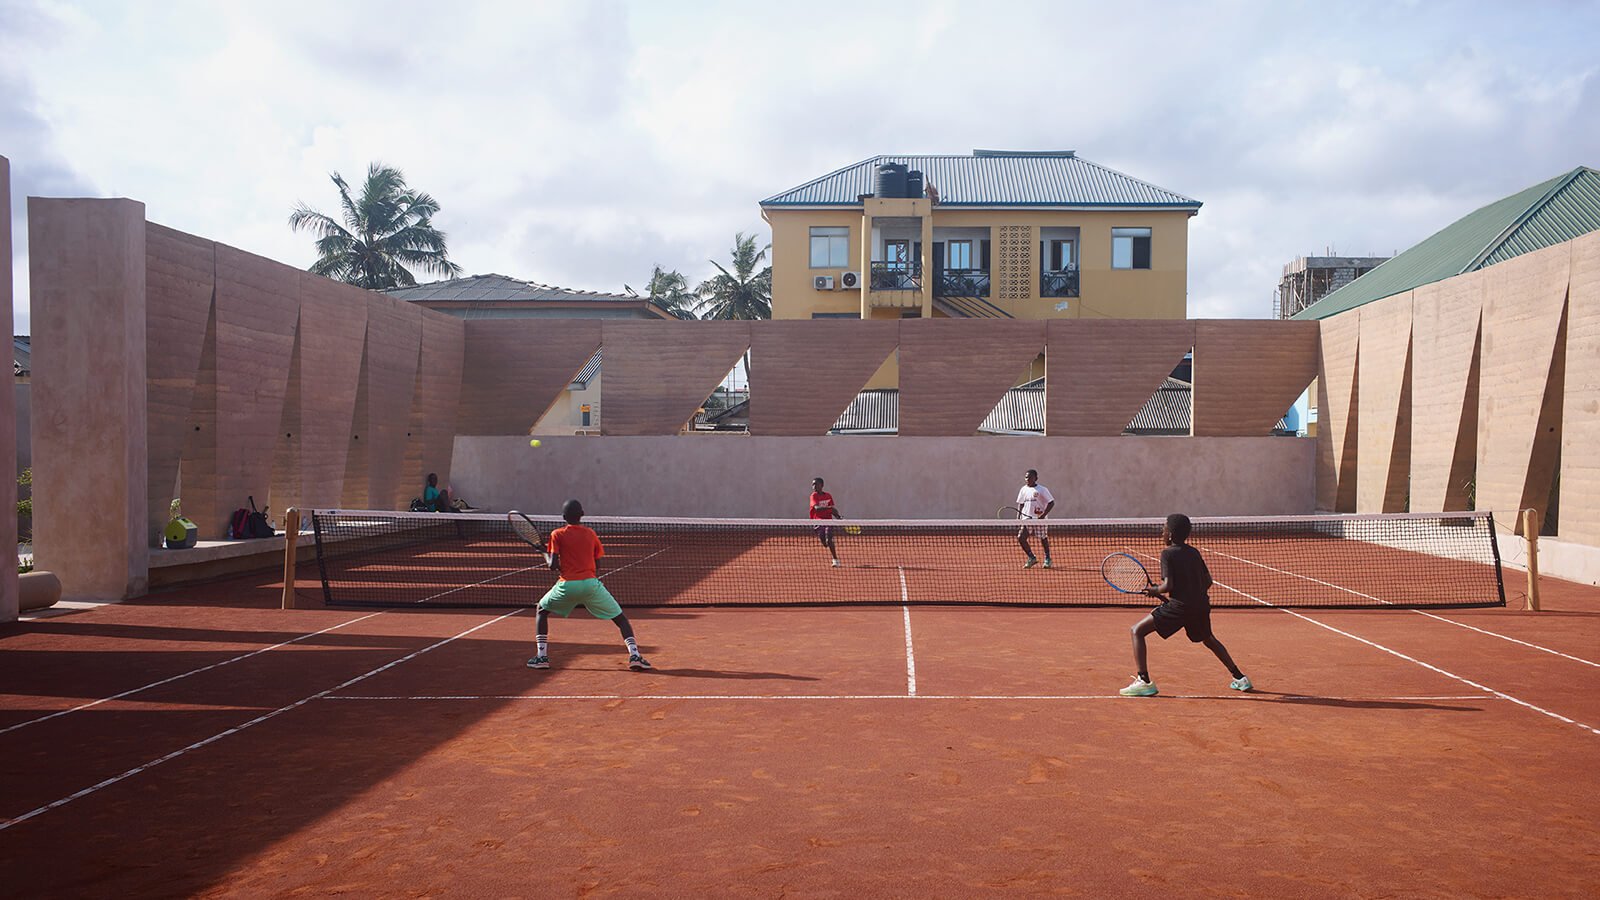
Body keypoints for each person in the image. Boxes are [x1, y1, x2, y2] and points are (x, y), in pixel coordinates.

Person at [1120, 513, 1251, 697]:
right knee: (1209, 639)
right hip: (1200, 606)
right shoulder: (1194, 552)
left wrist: (1155, 590)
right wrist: (1188, 597)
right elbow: (1208, 581)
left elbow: (1168, 586)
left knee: (1137, 631)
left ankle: (1144, 681)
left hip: (1181, 608)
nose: (1162, 532)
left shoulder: (1167, 553)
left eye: (1164, 529)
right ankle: (1240, 678)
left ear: (1170, 534)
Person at [527, 499, 652, 671]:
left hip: (567, 586)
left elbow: (552, 566)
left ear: (563, 517)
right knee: (620, 618)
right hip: (591, 585)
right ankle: (635, 655)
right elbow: (598, 564)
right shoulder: (591, 534)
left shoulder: (557, 534)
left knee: (542, 610)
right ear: (582, 514)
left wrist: (544, 553)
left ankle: (541, 657)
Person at [1014, 468, 1055, 569]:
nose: (1027, 479)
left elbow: (1051, 502)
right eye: (1026, 477)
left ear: (1036, 478)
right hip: (1026, 519)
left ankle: (1048, 559)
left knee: (1043, 538)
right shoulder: (1023, 489)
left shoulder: (1042, 489)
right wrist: (1018, 516)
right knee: (1021, 537)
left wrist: (1043, 515)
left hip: (1039, 519)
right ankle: (1031, 557)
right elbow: (1021, 503)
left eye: (1030, 477)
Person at [809, 476, 843, 567]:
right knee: (825, 543)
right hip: (818, 522)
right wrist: (829, 508)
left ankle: (835, 560)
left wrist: (838, 516)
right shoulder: (813, 496)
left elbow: (832, 510)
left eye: (816, 484)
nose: (814, 486)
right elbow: (817, 508)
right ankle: (829, 542)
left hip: (828, 521)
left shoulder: (828, 496)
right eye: (813, 484)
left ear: (822, 485)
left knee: (829, 540)